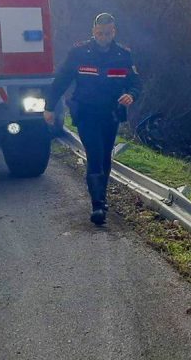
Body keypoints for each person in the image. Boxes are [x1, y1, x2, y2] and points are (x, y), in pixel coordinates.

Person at [44, 13, 142, 225]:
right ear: (93, 32)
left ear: (113, 32)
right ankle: (97, 205)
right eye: (99, 33)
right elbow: (61, 81)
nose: (103, 37)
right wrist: (49, 107)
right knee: (95, 154)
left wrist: (131, 95)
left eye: (107, 33)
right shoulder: (79, 53)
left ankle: (102, 197)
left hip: (111, 113)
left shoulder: (123, 55)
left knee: (106, 156)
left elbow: (135, 83)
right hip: (87, 113)